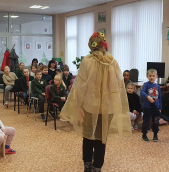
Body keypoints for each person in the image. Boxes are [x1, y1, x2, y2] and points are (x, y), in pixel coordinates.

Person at [60, 32, 131, 172]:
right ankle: (97, 166)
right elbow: (119, 85)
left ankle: (87, 164)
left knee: (88, 135)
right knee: (101, 136)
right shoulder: (113, 62)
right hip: (108, 107)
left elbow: (80, 85)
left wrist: (77, 105)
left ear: (92, 46)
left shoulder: (87, 61)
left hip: (90, 105)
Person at [140, 69, 162, 142]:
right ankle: (144, 135)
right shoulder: (146, 84)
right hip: (147, 107)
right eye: (150, 76)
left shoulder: (158, 86)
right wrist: (147, 97)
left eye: (153, 76)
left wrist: (160, 107)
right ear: (147, 76)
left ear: (156, 77)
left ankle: (155, 135)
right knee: (146, 121)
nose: (151, 77)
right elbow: (142, 92)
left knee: (155, 121)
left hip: (156, 107)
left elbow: (159, 98)